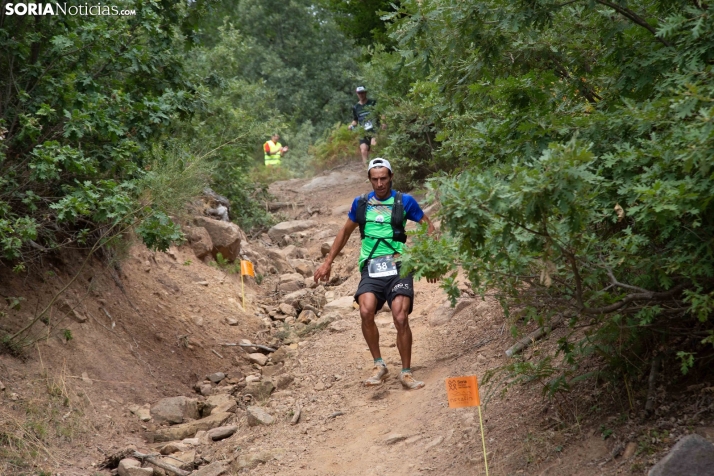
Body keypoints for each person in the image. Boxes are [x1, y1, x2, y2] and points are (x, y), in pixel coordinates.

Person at [314, 158, 437, 390]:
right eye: (375, 179)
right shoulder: (360, 204)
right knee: (366, 310)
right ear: (370, 179)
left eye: (383, 178)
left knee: (400, 317)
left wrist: (430, 261)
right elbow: (345, 232)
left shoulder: (404, 202)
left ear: (391, 177)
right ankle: (379, 364)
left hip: (400, 264)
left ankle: (406, 372)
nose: (379, 183)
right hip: (371, 266)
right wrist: (328, 261)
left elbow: (428, 227)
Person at [350, 86, 378, 166]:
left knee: (374, 146)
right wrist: (351, 125)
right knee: (363, 150)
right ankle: (367, 170)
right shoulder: (356, 107)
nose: (361, 94)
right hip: (363, 132)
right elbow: (355, 120)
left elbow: (381, 113)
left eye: (362, 92)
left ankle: (377, 167)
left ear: (365, 92)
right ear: (357, 94)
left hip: (374, 130)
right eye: (359, 93)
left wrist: (383, 123)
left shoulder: (373, 103)